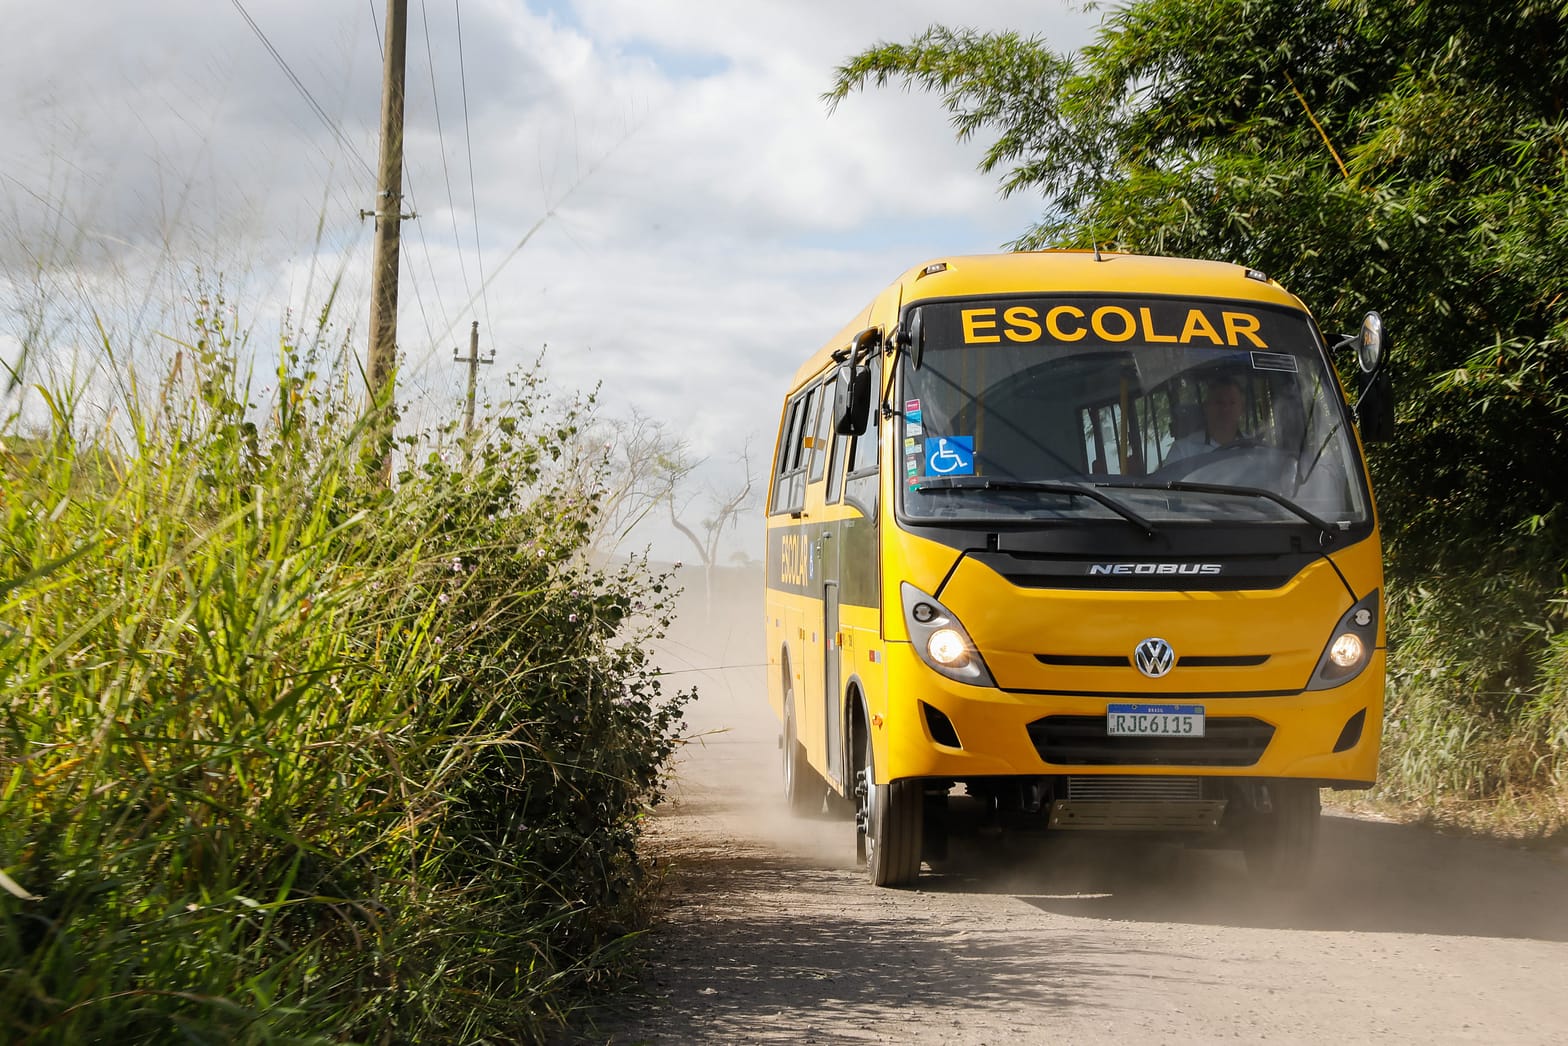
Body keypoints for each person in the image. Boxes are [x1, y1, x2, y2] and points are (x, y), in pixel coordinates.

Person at [1166, 375, 1249, 463]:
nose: (1225, 409)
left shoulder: (1253, 447)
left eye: (1232, 403)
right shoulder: (1183, 451)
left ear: (1242, 409)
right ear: (1206, 407)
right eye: (1219, 402)